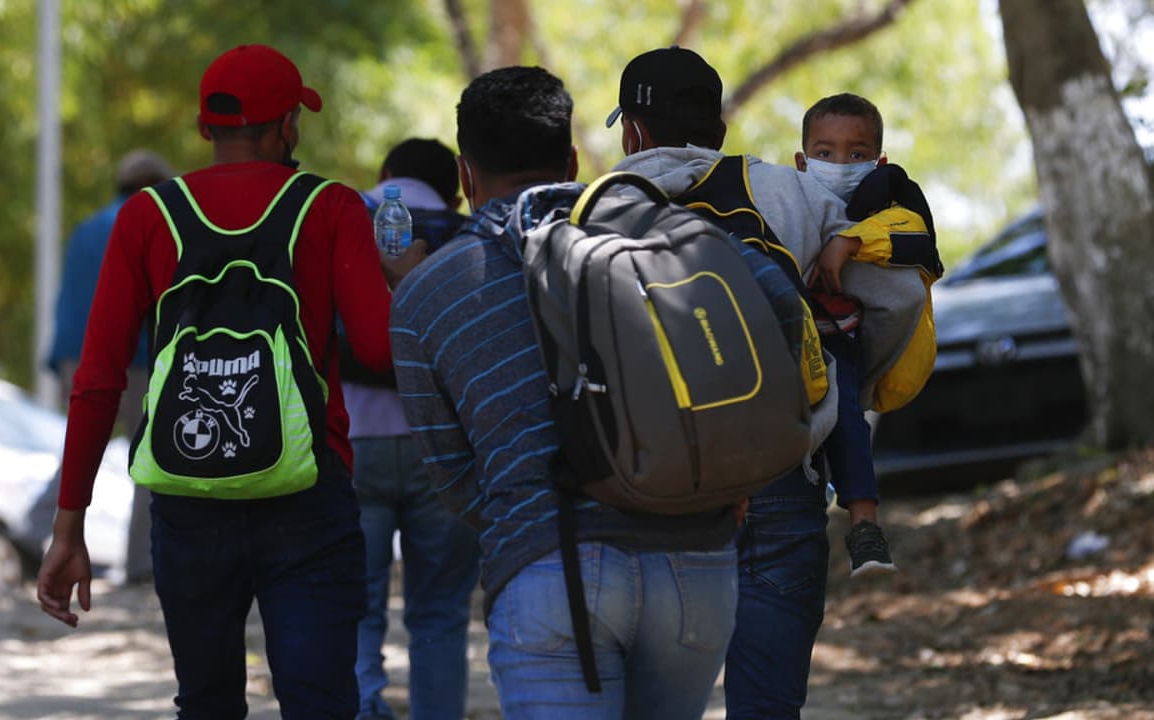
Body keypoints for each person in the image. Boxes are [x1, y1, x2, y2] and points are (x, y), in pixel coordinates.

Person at [390, 65, 810, 719]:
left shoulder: (425, 291)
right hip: (695, 565)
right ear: (571, 161)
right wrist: (729, 472)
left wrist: (526, 505)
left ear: (466, 176)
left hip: (550, 566)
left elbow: (453, 477)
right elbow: (787, 313)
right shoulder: (665, 232)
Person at [36, 44, 422, 718]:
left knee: (206, 703)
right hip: (307, 497)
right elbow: (375, 348)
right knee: (320, 704)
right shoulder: (330, 207)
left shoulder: (147, 215)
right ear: (287, 127)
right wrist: (401, 283)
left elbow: (97, 381)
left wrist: (69, 528)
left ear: (204, 127)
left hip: (188, 501)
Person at [607, 47, 931, 718]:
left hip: (651, 487)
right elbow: (897, 295)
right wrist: (840, 389)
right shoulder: (791, 192)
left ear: (632, 132)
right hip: (780, 465)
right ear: (720, 130)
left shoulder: (597, 210)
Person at [341, 138, 479, 720]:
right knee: (440, 612)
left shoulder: (346, 217)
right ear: (456, 191)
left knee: (354, 605)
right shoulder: (469, 234)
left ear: (385, 172)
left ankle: (362, 707)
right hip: (443, 448)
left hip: (353, 442)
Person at [794, 92, 940, 579]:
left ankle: (865, 525)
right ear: (801, 161)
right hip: (789, 345)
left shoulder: (890, 201)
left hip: (843, 343)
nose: (839, 164)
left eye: (855, 153)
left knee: (846, 417)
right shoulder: (785, 201)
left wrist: (850, 241)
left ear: (878, 161)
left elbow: (917, 240)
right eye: (825, 152)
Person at [22, 149, 173, 583]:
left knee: (81, 449)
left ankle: (31, 530)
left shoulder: (87, 228)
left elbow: (69, 297)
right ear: (150, 187)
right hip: (132, 355)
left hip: (76, 351)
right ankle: (142, 562)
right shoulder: (147, 223)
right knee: (150, 456)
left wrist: (59, 358)